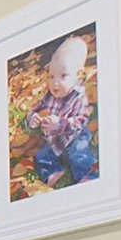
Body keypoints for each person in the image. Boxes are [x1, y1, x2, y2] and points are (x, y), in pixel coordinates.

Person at [24, 35, 96, 187]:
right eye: (51, 76)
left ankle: (86, 175)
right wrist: (33, 118)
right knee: (42, 156)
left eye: (63, 76)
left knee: (80, 153)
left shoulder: (78, 96)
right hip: (55, 140)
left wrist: (60, 124)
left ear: (79, 75)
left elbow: (80, 120)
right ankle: (52, 173)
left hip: (74, 136)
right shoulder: (49, 96)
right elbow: (34, 109)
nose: (55, 82)